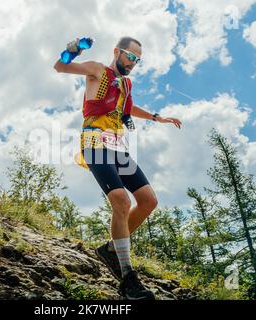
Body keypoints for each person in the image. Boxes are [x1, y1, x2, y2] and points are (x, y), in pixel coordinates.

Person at [54, 36, 182, 300]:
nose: (133, 63)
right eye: (130, 57)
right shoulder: (96, 70)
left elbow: (129, 107)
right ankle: (128, 280)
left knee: (148, 200)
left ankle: (111, 250)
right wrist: (73, 49)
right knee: (121, 201)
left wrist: (158, 118)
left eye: (138, 60)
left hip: (117, 146)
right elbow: (60, 67)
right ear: (117, 52)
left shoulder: (125, 84)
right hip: (93, 141)